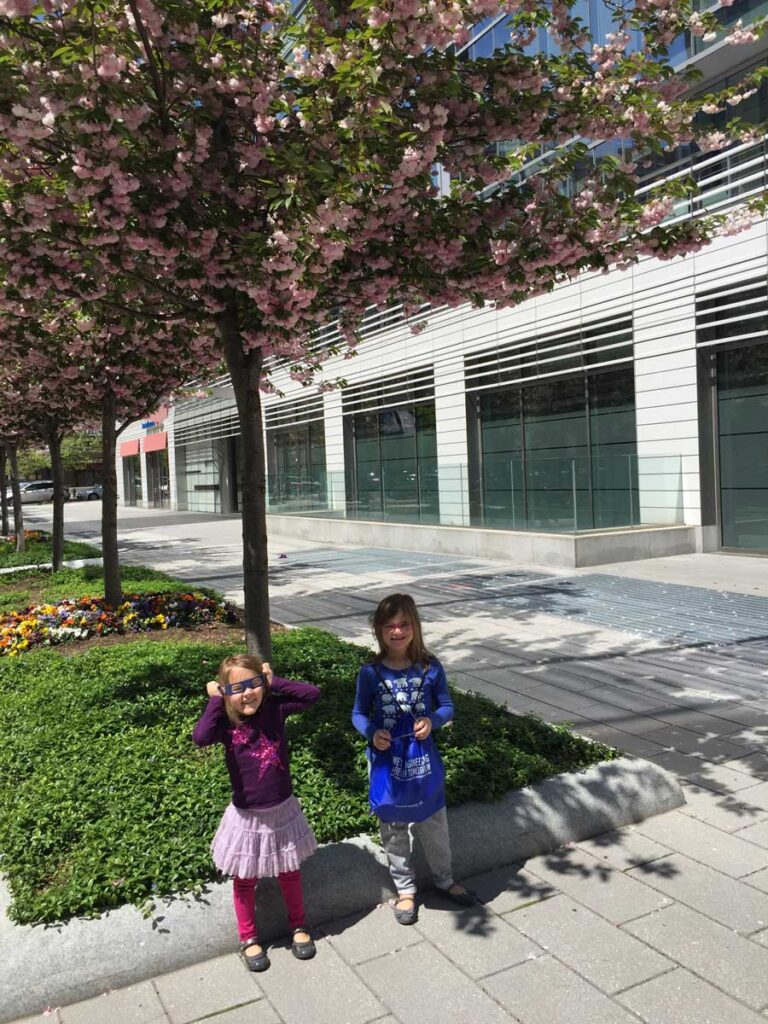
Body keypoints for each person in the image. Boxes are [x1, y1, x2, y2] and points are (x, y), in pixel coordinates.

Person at [352, 593, 475, 925]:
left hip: (423, 759)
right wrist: (371, 731)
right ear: (378, 630)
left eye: (404, 624)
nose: (397, 631)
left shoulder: (430, 667)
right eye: (389, 625)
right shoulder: (370, 672)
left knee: (433, 821)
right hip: (385, 762)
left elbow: (447, 706)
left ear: (415, 627)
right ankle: (405, 889)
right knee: (393, 825)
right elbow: (358, 713)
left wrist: (432, 721)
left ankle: (444, 879)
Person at [192, 652, 320, 971]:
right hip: (247, 816)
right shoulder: (223, 723)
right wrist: (214, 701)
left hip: (282, 811)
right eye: (237, 688)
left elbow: (312, 694)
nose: (247, 693)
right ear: (226, 693)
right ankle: (249, 938)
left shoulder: (275, 709)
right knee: (245, 879)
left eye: (254, 684)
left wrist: (275, 681)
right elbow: (200, 737)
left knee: (289, 871)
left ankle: (299, 926)